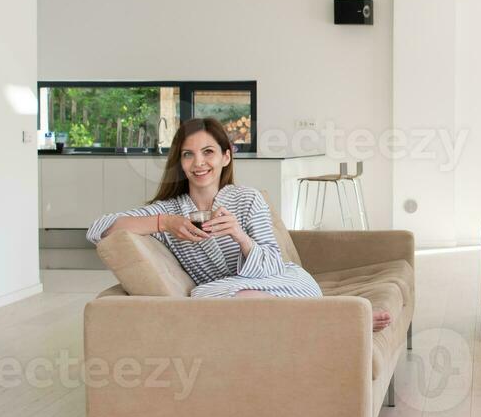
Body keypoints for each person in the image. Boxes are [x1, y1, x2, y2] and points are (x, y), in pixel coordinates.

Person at [86, 117, 392, 330]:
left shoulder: (247, 199)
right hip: (222, 294)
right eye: (188, 155)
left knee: (295, 283)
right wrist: (165, 223)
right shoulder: (171, 212)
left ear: (226, 157)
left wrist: (240, 237)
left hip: (276, 282)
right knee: (206, 297)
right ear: (180, 163)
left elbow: (274, 264)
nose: (199, 163)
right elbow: (100, 228)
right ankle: (337, 320)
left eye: (208, 152)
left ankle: (334, 320)